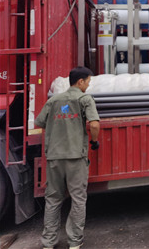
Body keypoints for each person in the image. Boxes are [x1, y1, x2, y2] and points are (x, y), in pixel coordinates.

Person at [34, 66, 100, 249]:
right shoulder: (85, 99)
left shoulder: (53, 100)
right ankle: (74, 242)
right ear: (80, 81)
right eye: (88, 82)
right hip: (75, 157)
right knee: (78, 199)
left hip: (54, 157)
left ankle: (48, 242)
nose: (88, 85)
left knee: (53, 199)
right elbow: (95, 124)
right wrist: (94, 142)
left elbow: (39, 122)